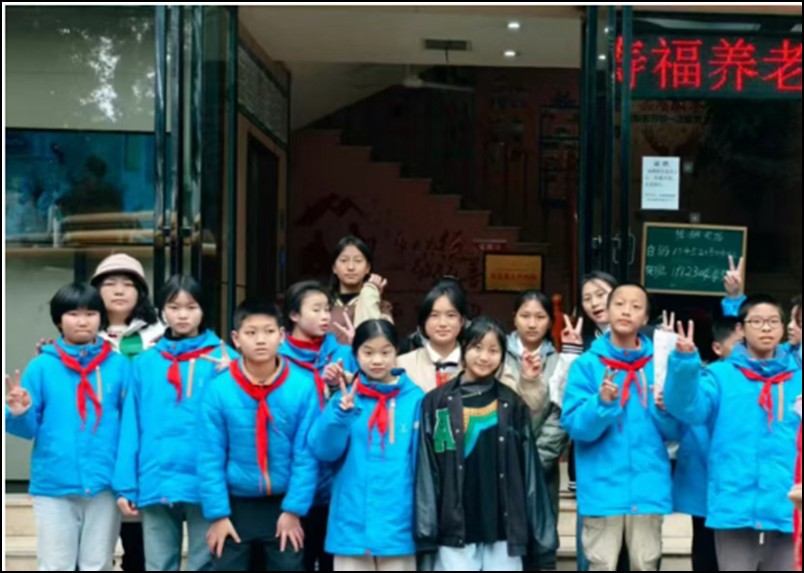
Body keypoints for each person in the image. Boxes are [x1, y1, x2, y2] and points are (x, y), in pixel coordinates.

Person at [665, 295, 802, 571]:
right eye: (757, 321)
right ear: (741, 328)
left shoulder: (798, 377)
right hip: (734, 504)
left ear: (783, 326)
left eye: (773, 321)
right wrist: (683, 363)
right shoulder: (719, 375)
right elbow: (688, 409)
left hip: (787, 504)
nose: (766, 328)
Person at [416, 317, 557, 571]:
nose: (484, 357)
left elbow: (528, 469)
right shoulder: (437, 402)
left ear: (503, 356)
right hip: (453, 526)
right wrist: (427, 526)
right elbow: (429, 469)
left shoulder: (512, 403)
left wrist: (539, 532)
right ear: (463, 348)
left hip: (504, 526)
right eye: (477, 347)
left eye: (493, 350)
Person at [5, 283, 130, 570]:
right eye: (73, 314)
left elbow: (130, 427)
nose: (82, 321)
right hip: (53, 485)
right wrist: (18, 413)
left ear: (101, 318)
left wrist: (126, 481)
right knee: (55, 565)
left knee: (97, 564)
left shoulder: (119, 366)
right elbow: (28, 429)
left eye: (90, 313)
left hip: (105, 483)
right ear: (59, 320)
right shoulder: (41, 367)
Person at [113, 275, 233, 571]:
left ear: (204, 310)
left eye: (191, 307)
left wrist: (236, 376)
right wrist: (126, 485)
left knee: (205, 563)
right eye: (174, 307)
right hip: (156, 475)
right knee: (158, 564)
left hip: (208, 480)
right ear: (162, 311)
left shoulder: (225, 360)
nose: (182, 315)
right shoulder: (145, 362)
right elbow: (131, 426)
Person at [562, 284, 679, 571]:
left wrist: (664, 409)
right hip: (602, 488)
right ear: (607, 311)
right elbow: (576, 428)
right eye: (619, 304)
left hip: (648, 487)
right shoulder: (587, 365)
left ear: (646, 318)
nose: (626, 311)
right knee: (601, 565)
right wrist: (601, 403)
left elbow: (676, 432)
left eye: (636, 306)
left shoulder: (661, 365)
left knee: (645, 564)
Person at [198, 300, 320, 571]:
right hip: (234, 505)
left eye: (269, 331)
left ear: (282, 335)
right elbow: (209, 456)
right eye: (251, 333)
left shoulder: (302, 387)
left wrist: (294, 510)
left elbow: (306, 455)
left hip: (284, 504)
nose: (261, 340)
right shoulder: (219, 389)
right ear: (236, 339)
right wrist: (217, 515)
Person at [309, 320, 423, 571]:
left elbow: (421, 464)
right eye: (368, 352)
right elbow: (323, 451)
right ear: (355, 354)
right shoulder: (345, 398)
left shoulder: (416, 400)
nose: (377, 360)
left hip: (399, 522)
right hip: (352, 521)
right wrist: (340, 416)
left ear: (396, 352)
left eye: (385, 352)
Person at [278, 280, 358, 572]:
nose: (325, 316)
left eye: (327, 309)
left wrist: (342, 385)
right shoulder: (276, 358)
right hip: (291, 481)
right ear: (294, 315)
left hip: (337, 482)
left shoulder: (344, 355)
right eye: (316, 309)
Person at [500, 291, 583, 571]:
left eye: (540, 316)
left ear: (550, 321)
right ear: (514, 318)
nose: (532, 323)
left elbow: (561, 414)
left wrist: (533, 461)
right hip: (498, 464)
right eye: (525, 315)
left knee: (541, 544)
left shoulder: (560, 361)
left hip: (541, 468)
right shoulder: (495, 353)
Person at [662, 317, 743, 572]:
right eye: (739, 344)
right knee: (705, 549)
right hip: (702, 478)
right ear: (717, 348)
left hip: (734, 482)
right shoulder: (706, 378)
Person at [397, 281, 470, 393]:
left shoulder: (476, 364)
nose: (442, 323)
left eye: (451, 315)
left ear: (462, 321)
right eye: (434, 315)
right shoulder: (402, 365)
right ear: (424, 321)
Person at [329, 236, 394, 345]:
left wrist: (370, 293)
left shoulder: (382, 307)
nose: (350, 267)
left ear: (367, 268)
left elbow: (378, 344)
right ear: (334, 268)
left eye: (358, 261)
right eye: (344, 260)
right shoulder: (322, 306)